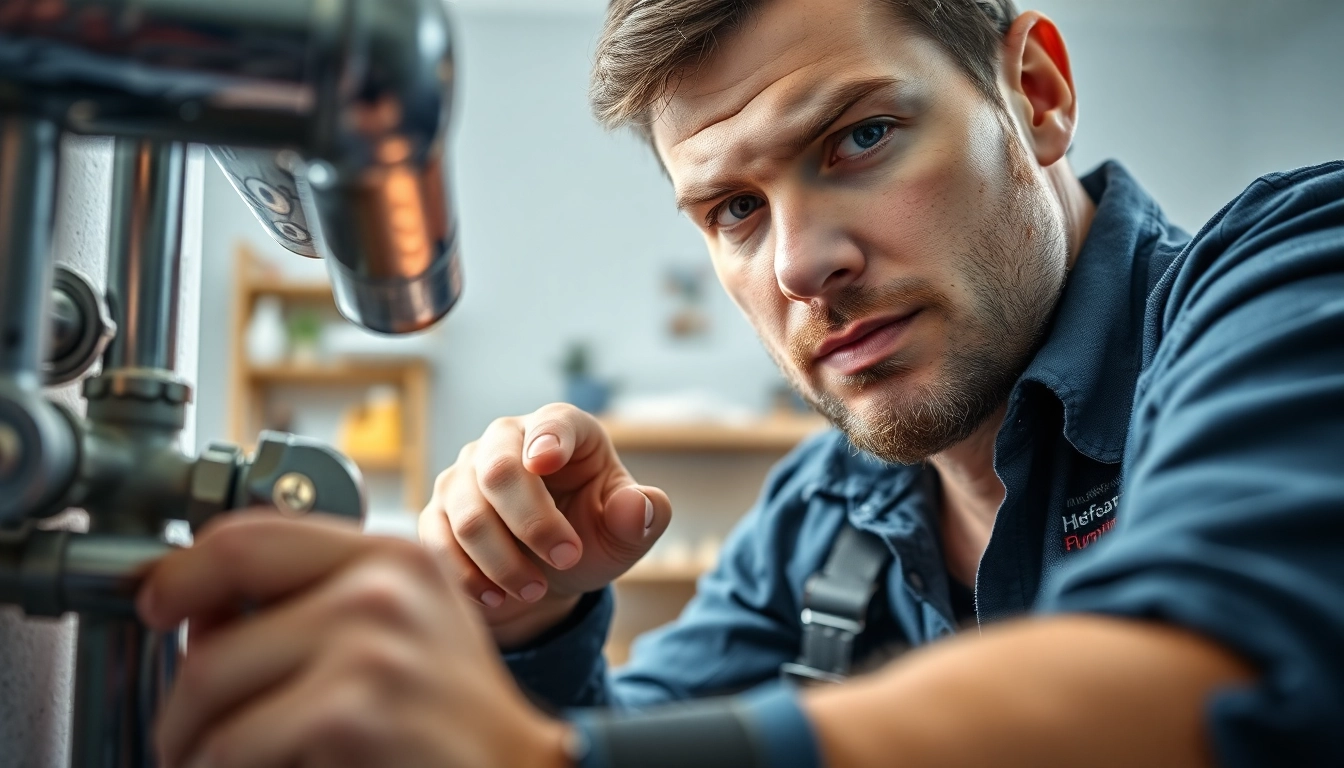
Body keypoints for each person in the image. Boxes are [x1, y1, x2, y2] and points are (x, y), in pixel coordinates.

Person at [136, 0, 1344, 765]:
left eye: (861, 137)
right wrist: (531, 619)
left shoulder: (1290, 277)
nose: (801, 264)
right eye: (734, 209)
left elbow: (1222, 675)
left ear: (1034, 96)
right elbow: (585, 738)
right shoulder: (827, 514)